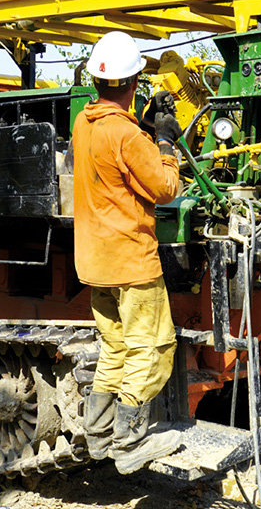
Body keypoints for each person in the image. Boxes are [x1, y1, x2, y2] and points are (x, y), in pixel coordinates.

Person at [72, 31, 184, 475]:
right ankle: (129, 441)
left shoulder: (86, 123)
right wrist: (166, 142)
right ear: (134, 81)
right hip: (131, 260)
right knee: (153, 348)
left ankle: (98, 435)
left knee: (115, 347)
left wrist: (145, 127)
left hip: (95, 260)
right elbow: (164, 188)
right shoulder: (127, 134)